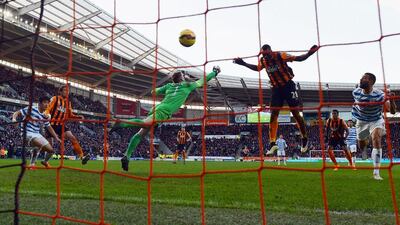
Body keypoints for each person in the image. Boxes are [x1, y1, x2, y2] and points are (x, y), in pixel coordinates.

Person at [110, 66, 221, 171]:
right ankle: (122, 123)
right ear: (181, 78)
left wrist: (166, 91)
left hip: (157, 108)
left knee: (141, 134)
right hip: (164, 111)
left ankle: (126, 157)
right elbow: (202, 81)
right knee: (145, 124)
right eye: (183, 75)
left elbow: (153, 92)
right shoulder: (187, 85)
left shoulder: (169, 86)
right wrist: (214, 72)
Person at [233, 44, 319, 155]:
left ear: (270, 51)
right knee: (273, 114)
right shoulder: (263, 60)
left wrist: (309, 53)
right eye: (264, 55)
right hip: (276, 89)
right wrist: (243, 63)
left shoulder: (281, 55)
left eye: (267, 54)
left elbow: (299, 58)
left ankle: (304, 138)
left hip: (288, 86)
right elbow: (257, 68)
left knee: (295, 113)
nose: (265, 57)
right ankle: (272, 143)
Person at [352, 72, 397, 180]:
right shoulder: (356, 92)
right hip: (361, 122)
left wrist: (391, 100)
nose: (362, 79)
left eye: (365, 78)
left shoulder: (379, 95)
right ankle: (364, 147)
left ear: (372, 82)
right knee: (361, 144)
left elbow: (392, 111)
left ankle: (376, 172)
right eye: (362, 77)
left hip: (375, 120)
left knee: (376, 138)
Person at [45, 85, 90, 164]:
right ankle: (45, 161)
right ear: (60, 91)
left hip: (60, 125)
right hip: (50, 125)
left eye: (68, 91)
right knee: (50, 148)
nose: (67, 92)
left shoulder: (68, 103)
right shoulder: (55, 98)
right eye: (65, 90)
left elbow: (70, 115)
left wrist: (78, 117)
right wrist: (46, 114)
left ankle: (82, 156)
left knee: (72, 137)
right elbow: (48, 108)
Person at [12, 96, 61, 168]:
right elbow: (17, 113)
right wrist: (14, 119)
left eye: (48, 103)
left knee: (51, 151)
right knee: (38, 145)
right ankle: (32, 162)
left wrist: (56, 137)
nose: (46, 104)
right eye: (45, 102)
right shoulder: (31, 109)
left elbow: (49, 127)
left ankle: (43, 162)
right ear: (39, 103)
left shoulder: (46, 115)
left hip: (37, 134)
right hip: (27, 133)